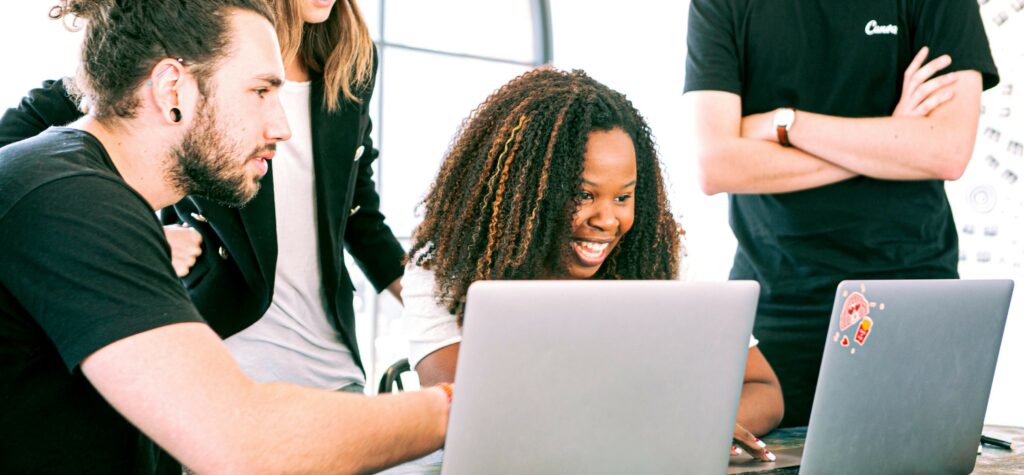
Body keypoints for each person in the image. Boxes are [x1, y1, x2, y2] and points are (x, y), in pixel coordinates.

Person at [0, 2, 447, 473]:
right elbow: (246, 446)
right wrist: (460, 403)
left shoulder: (88, 192)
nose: (284, 126)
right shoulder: (66, 197)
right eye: (260, 91)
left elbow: (361, 216)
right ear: (172, 87)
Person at [402, 68, 784, 460]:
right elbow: (465, 417)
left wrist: (698, 426)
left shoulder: (657, 256)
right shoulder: (444, 267)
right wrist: (659, 423)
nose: (606, 220)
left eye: (623, 198)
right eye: (583, 194)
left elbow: (764, 390)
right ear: (528, 190)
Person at [682, 0, 999, 427]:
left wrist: (786, 124)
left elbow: (946, 151)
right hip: (773, 313)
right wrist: (892, 137)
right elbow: (716, 165)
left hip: (911, 300)